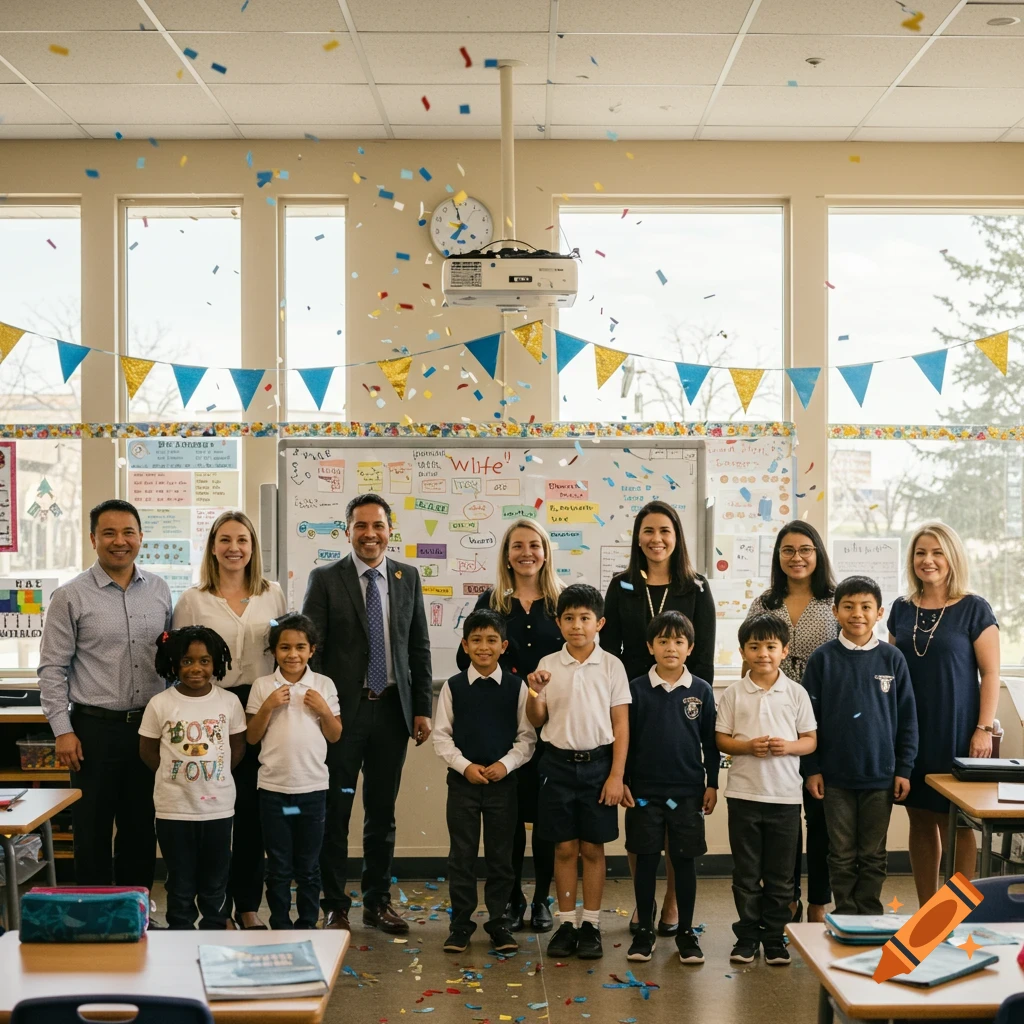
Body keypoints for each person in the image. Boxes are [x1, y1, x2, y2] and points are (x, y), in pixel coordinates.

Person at [302, 492, 433, 933]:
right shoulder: (325, 579)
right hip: (342, 715)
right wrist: (319, 712)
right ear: (348, 531)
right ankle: (335, 903)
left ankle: (377, 901)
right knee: (334, 811)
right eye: (361, 526)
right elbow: (311, 651)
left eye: (377, 526)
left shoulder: (407, 576)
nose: (370, 534)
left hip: (393, 712)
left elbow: (418, 646)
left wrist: (422, 710)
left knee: (382, 812)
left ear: (390, 531)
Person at [39, 498, 172, 889]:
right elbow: (52, 669)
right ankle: (94, 915)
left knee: (140, 828)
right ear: (93, 539)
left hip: (149, 728)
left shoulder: (160, 589)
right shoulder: (70, 596)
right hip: (92, 730)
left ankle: (137, 912)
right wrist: (62, 730)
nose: (120, 541)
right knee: (92, 828)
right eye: (109, 533)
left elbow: (171, 662)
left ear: (141, 537)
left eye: (128, 532)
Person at [602, 499, 715, 937]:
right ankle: (643, 904)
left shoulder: (696, 587)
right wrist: (620, 699)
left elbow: (702, 653)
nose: (656, 539)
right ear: (637, 537)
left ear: (677, 536)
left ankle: (671, 905)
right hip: (630, 705)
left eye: (665, 531)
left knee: (680, 823)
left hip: (682, 704)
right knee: (640, 813)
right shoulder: (621, 585)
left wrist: (690, 704)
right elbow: (609, 652)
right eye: (648, 531)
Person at [173, 510, 286, 930]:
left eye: (242, 540)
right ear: (212, 547)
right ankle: (213, 909)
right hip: (210, 710)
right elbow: (181, 665)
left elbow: (286, 652)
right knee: (212, 811)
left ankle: (248, 906)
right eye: (225, 539)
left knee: (253, 813)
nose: (234, 548)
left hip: (260, 709)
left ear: (253, 547)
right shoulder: (192, 600)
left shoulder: (273, 594)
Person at [454, 518, 563, 932]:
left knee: (548, 818)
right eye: (517, 546)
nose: (526, 553)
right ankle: (514, 897)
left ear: (545, 551)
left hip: (555, 725)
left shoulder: (561, 602)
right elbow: (470, 661)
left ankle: (541, 900)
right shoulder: (492, 601)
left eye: (534, 545)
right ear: (506, 554)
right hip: (507, 727)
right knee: (510, 819)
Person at [887, 522, 1000, 904]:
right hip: (909, 730)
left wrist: (984, 728)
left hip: (956, 728)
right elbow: (889, 669)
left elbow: (991, 674)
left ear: (952, 557)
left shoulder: (974, 608)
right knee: (918, 817)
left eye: (937, 552)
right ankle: (926, 911)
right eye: (921, 553)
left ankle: (954, 913)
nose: (928, 560)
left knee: (955, 822)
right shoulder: (901, 609)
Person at [803, 576, 919, 916]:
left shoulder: (892, 659)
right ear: (836, 611)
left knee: (872, 854)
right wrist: (812, 770)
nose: (858, 614)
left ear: (879, 612)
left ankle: (868, 914)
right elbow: (807, 721)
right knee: (840, 852)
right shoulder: (822, 659)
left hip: (880, 777)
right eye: (849, 606)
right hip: (834, 778)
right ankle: (844, 915)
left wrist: (904, 770)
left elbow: (908, 720)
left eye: (866, 607)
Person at [526, 583, 630, 961]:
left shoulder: (612, 665)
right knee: (564, 847)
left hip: (599, 766)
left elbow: (621, 726)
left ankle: (591, 924)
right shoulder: (548, 665)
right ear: (558, 622)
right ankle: (567, 922)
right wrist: (534, 693)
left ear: (599, 623)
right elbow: (537, 720)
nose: (577, 625)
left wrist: (616, 775)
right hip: (556, 765)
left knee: (592, 848)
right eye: (568, 618)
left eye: (585, 618)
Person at [744, 521, 838, 924]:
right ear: (777, 556)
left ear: (817, 553)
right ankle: (784, 900)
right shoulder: (764, 603)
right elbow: (749, 657)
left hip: (823, 720)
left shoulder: (835, 601)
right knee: (780, 819)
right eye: (787, 550)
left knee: (819, 818)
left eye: (805, 549)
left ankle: (818, 901)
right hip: (774, 721)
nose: (796, 557)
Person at [434, 609, 537, 955]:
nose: (483, 647)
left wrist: (504, 766)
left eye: (491, 640)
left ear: (504, 645)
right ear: (465, 644)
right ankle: (460, 924)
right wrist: (465, 767)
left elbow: (527, 738)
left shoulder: (516, 687)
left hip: (503, 787)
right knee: (461, 855)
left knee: (501, 857)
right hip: (462, 785)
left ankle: (498, 922)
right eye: (476, 640)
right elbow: (441, 738)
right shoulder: (453, 687)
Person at [716, 614, 817, 967]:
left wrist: (788, 747)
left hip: (785, 799)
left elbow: (810, 741)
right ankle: (746, 936)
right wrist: (746, 748)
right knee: (745, 873)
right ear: (743, 651)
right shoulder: (732, 693)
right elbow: (721, 739)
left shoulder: (796, 692)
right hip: (743, 796)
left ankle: (775, 938)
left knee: (780, 875)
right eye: (754, 647)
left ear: (785, 650)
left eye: (771, 646)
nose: (763, 653)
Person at [622, 611, 718, 965]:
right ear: (650, 647)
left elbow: (711, 742)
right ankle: (645, 931)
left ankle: (686, 933)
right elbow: (625, 741)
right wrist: (624, 782)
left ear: (690, 647)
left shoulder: (701, 690)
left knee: (684, 860)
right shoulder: (634, 689)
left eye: (678, 641)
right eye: (662, 641)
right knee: (645, 859)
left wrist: (712, 784)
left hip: (688, 792)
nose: (671, 648)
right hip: (644, 791)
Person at [139, 626, 246, 930]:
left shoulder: (229, 702)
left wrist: (213, 774)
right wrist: (177, 778)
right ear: (173, 664)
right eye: (187, 661)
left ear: (216, 664)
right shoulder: (161, 703)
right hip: (174, 808)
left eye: (204, 661)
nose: (196, 668)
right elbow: (148, 752)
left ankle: (215, 926)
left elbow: (237, 749)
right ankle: (181, 930)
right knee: (181, 880)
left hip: (218, 808)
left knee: (215, 879)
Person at [246, 613, 341, 930]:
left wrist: (324, 709)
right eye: (285, 647)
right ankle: (280, 921)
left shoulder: (323, 685)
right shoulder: (263, 687)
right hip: (273, 790)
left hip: (312, 790)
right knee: (278, 864)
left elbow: (335, 733)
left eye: (300, 647)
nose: (293, 654)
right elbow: (251, 736)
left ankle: (307, 921)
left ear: (312, 650)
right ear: (274, 651)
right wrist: (268, 706)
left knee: (308, 864)